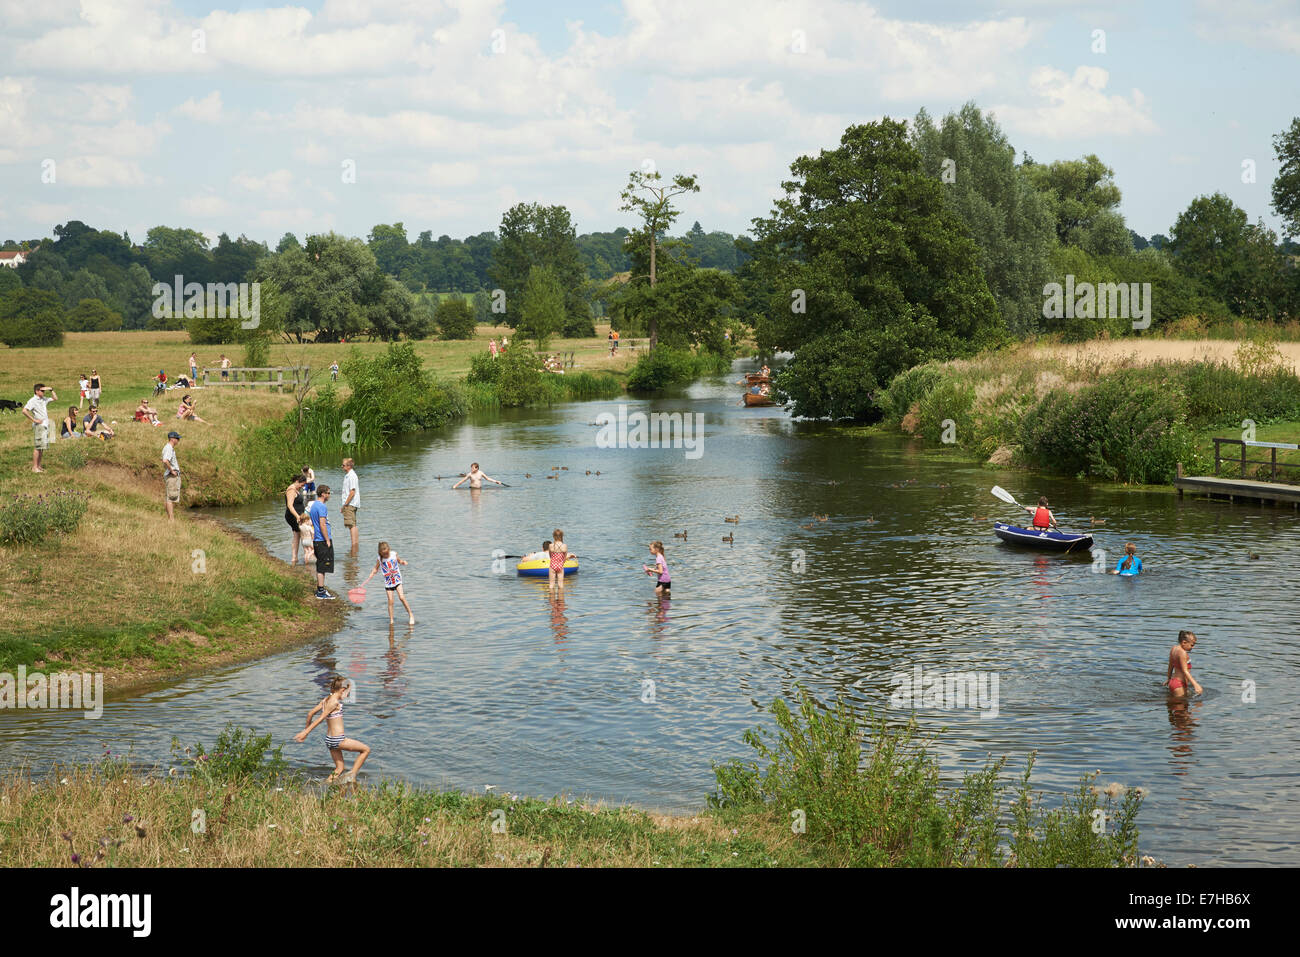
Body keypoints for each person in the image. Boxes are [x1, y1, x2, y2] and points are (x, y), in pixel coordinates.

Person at [293, 676, 369, 784]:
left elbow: (310, 714)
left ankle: (324, 785)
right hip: (338, 740)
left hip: (330, 740)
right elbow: (320, 718)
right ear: (343, 690)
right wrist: (305, 732)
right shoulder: (334, 703)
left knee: (339, 768)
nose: (348, 695)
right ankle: (352, 776)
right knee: (366, 750)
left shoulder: (326, 699)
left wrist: (306, 729)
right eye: (348, 693)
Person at [362, 541, 415, 626]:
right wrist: (372, 574)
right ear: (380, 553)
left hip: (397, 579)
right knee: (390, 601)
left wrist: (403, 562)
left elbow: (399, 560)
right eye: (384, 554)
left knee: (401, 597)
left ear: (389, 550)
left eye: (387, 553)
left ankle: (411, 615)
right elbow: (376, 568)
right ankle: (391, 620)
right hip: (388, 582)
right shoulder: (380, 559)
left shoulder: (393, 554)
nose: (386, 555)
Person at [309, 485, 336, 599]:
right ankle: (321, 591)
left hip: (317, 539)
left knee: (320, 564)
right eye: (328, 493)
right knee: (323, 566)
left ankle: (320, 589)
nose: (329, 495)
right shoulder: (321, 507)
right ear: (323, 494)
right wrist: (327, 540)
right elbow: (322, 524)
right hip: (322, 539)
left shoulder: (314, 505)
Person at [23, 383, 56, 473]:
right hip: (39, 426)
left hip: (45, 424)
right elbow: (24, 410)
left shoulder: (43, 399)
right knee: (38, 447)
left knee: (42, 446)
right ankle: (34, 467)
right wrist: (34, 420)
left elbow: (55, 398)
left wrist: (51, 390)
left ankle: (39, 465)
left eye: (44, 391)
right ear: (37, 391)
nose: (44, 392)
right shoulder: (33, 400)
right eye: (42, 391)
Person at [1166, 630, 1202, 698]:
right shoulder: (1182, 653)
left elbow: (1170, 665)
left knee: (1175, 705)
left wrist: (1168, 679)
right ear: (1184, 642)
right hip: (1179, 684)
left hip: (1173, 682)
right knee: (1181, 707)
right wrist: (1196, 685)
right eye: (1192, 645)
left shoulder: (1174, 648)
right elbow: (1185, 671)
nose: (1193, 647)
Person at [284, 473, 309, 565]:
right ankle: (301, 556)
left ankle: (295, 558)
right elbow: (290, 506)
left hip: (298, 516)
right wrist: (297, 516)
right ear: (297, 481)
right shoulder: (291, 490)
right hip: (293, 516)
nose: (302, 487)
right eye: (302, 485)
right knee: (301, 534)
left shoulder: (296, 489)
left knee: (297, 535)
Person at [162, 431, 182, 521]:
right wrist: (172, 471)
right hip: (171, 476)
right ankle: (171, 519)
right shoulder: (169, 448)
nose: (178, 440)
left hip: (170, 475)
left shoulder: (168, 448)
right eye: (177, 438)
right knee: (171, 497)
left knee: (169, 497)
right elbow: (165, 460)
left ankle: (170, 519)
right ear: (172, 439)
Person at [341, 457, 360, 550]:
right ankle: (355, 545)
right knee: (353, 524)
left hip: (350, 504)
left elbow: (352, 492)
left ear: (349, 466)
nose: (341, 466)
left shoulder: (351, 476)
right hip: (351, 503)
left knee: (351, 524)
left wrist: (345, 504)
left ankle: (354, 545)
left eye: (343, 465)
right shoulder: (349, 475)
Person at [548, 528, 573, 593]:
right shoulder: (564, 546)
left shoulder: (551, 545)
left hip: (552, 565)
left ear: (553, 536)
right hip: (560, 565)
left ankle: (552, 600)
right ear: (562, 536)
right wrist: (562, 562)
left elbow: (550, 556)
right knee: (561, 584)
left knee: (551, 584)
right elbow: (564, 557)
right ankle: (561, 601)